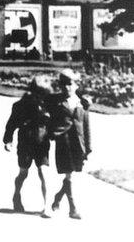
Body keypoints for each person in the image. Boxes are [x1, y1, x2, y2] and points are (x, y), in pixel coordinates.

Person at [3, 75, 53, 217]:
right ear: (33, 91)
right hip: (25, 142)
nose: (42, 96)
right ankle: (16, 195)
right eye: (40, 93)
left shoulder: (47, 105)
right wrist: (8, 140)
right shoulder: (20, 105)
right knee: (23, 173)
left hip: (42, 143)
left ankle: (46, 206)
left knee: (44, 173)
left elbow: (55, 121)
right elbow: (11, 124)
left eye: (44, 93)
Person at [48, 68, 91, 220]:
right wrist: (51, 133)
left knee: (70, 175)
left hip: (77, 143)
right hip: (63, 142)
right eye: (64, 84)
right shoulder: (55, 102)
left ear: (76, 85)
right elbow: (46, 119)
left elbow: (86, 126)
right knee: (69, 174)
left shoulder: (82, 103)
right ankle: (73, 209)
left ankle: (58, 198)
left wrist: (88, 148)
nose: (67, 87)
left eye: (70, 84)